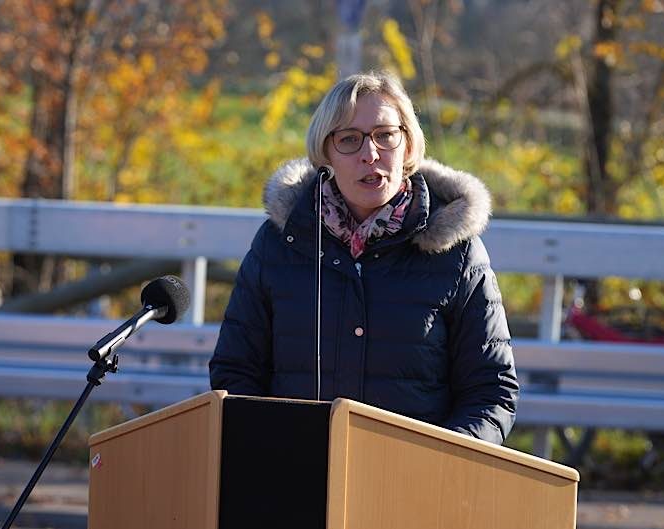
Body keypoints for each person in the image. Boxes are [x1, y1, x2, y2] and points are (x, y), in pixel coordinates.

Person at [209, 71, 518, 445]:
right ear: (326, 154)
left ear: (407, 146)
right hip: (296, 478)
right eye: (349, 140)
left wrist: (442, 464)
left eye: (385, 135)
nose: (370, 154)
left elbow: (491, 392)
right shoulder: (279, 245)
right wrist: (273, 449)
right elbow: (235, 372)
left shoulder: (457, 252)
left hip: (414, 486)